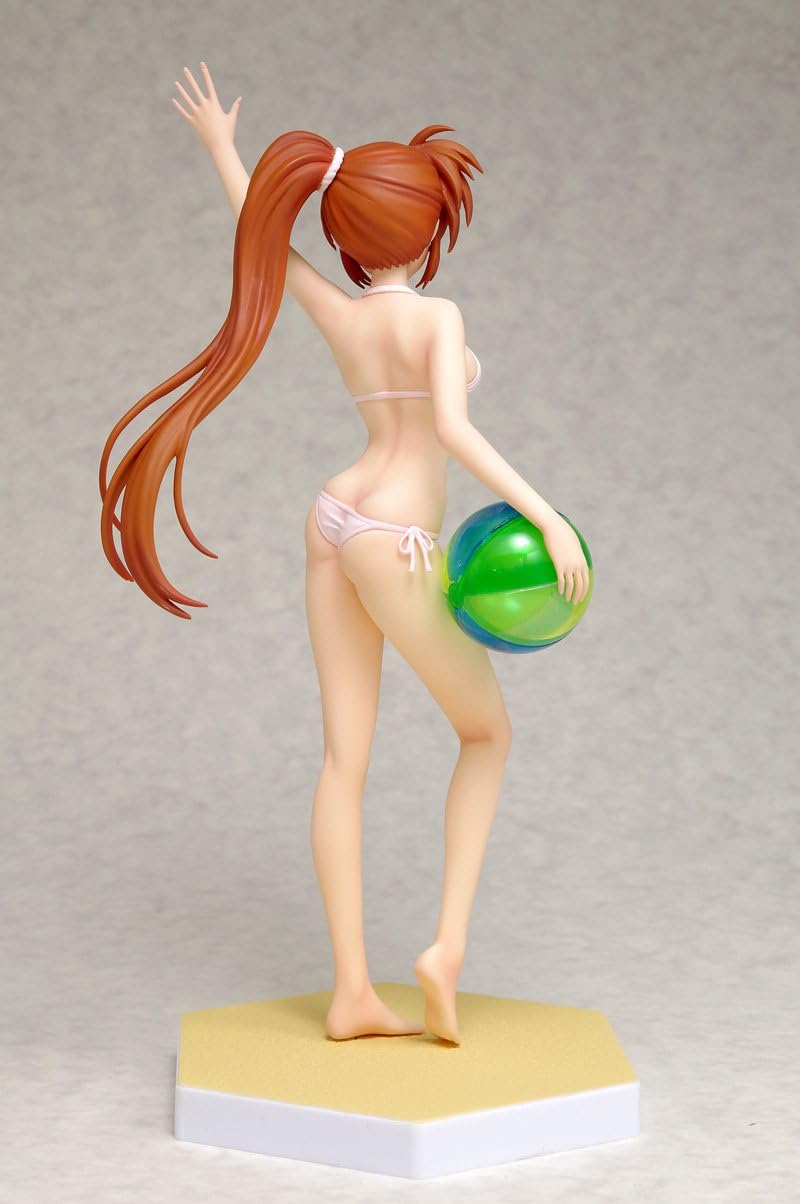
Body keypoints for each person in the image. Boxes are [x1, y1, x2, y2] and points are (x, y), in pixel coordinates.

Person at [99, 63, 590, 1045]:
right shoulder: (436, 318)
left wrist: (226, 152)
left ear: (346, 232)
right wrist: (545, 514)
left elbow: (267, 240)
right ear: (427, 227)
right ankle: (444, 950)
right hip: (396, 538)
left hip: (333, 515)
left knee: (341, 759)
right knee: (486, 735)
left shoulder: (345, 313)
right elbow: (450, 428)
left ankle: (352, 991)